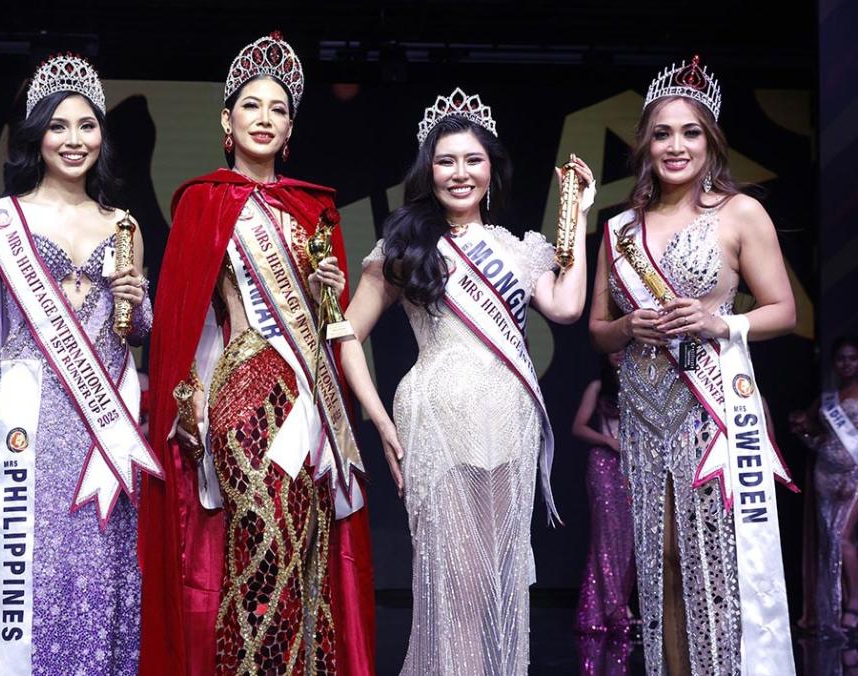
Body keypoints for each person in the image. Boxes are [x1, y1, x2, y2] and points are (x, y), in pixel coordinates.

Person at [138, 31, 376, 676]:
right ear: (226, 119)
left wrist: (328, 293)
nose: (264, 118)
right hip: (242, 390)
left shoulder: (313, 208)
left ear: (290, 126)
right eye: (251, 106)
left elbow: (330, 326)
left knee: (303, 542)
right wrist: (187, 400)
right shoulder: (202, 201)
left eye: (277, 109)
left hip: (306, 395)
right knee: (258, 536)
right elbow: (183, 318)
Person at [335, 85, 594, 674]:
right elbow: (344, 334)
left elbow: (567, 306)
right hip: (438, 419)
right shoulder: (405, 245)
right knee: (453, 578)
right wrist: (378, 420)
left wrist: (575, 216)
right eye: (445, 161)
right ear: (429, 170)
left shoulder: (515, 249)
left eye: (472, 160)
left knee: (494, 575)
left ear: (490, 169)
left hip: (507, 421)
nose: (459, 173)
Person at [0, 53, 157, 675]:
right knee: (28, 567)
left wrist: (136, 306)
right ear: (37, 136)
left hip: (101, 422)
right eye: (58, 126)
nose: (74, 139)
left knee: (101, 571)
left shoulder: (124, 225)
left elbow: (136, 332)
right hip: (27, 419)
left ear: (102, 135)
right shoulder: (1, 222)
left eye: (87, 125)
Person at [588, 55, 797, 674]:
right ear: (645, 144)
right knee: (658, 566)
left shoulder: (739, 212)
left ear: (711, 141)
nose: (675, 146)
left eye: (690, 132)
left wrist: (720, 323)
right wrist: (626, 326)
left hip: (710, 413)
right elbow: (598, 332)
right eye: (662, 133)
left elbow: (782, 309)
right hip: (644, 418)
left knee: (712, 565)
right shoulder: (620, 227)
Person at [790, 336, 858, 637]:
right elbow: (818, 441)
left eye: (852, 358)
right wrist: (802, 430)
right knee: (828, 541)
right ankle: (832, 606)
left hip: (853, 475)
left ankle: (854, 604)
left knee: (842, 538)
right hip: (825, 475)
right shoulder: (826, 398)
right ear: (833, 363)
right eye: (841, 358)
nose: (846, 363)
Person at [572, 353, 636, 637]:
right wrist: (608, 440)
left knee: (630, 539)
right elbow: (579, 427)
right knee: (606, 536)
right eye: (612, 346)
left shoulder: (639, 383)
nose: (618, 352)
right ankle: (615, 609)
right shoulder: (598, 387)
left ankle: (609, 607)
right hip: (604, 464)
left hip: (634, 468)